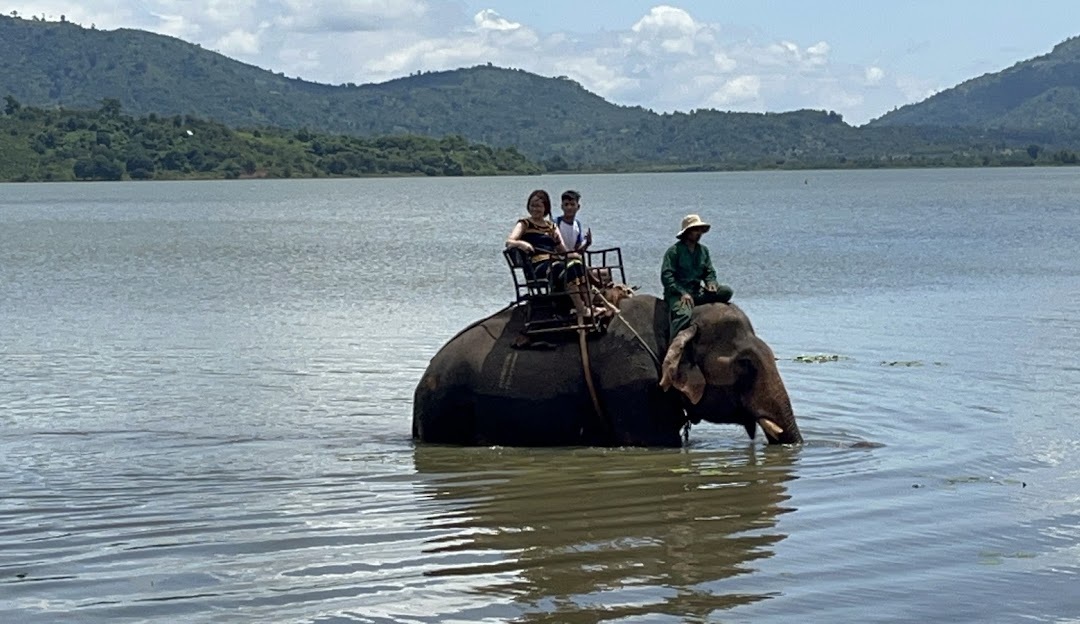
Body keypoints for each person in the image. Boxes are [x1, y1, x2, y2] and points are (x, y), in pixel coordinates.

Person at [506, 190, 600, 320]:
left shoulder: (551, 226)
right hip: (539, 266)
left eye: (539, 206)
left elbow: (562, 250)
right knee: (566, 268)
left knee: (577, 264)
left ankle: (590, 305)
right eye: (532, 205)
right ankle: (581, 309)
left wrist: (570, 249)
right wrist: (522, 244)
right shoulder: (524, 224)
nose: (535, 209)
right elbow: (509, 241)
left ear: (546, 207)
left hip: (554, 260)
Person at [660, 214, 733, 337]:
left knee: (726, 291)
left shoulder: (703, 250)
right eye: (695, 230)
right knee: (683, 315)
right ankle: (674, 345)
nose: (698, 233)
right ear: (687, 232)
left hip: (697, 291)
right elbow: (667, 277)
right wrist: (682, 292)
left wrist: (711, 283)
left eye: (700, 230)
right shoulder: (674, 251)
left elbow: (709, 271)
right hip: (678, 294)